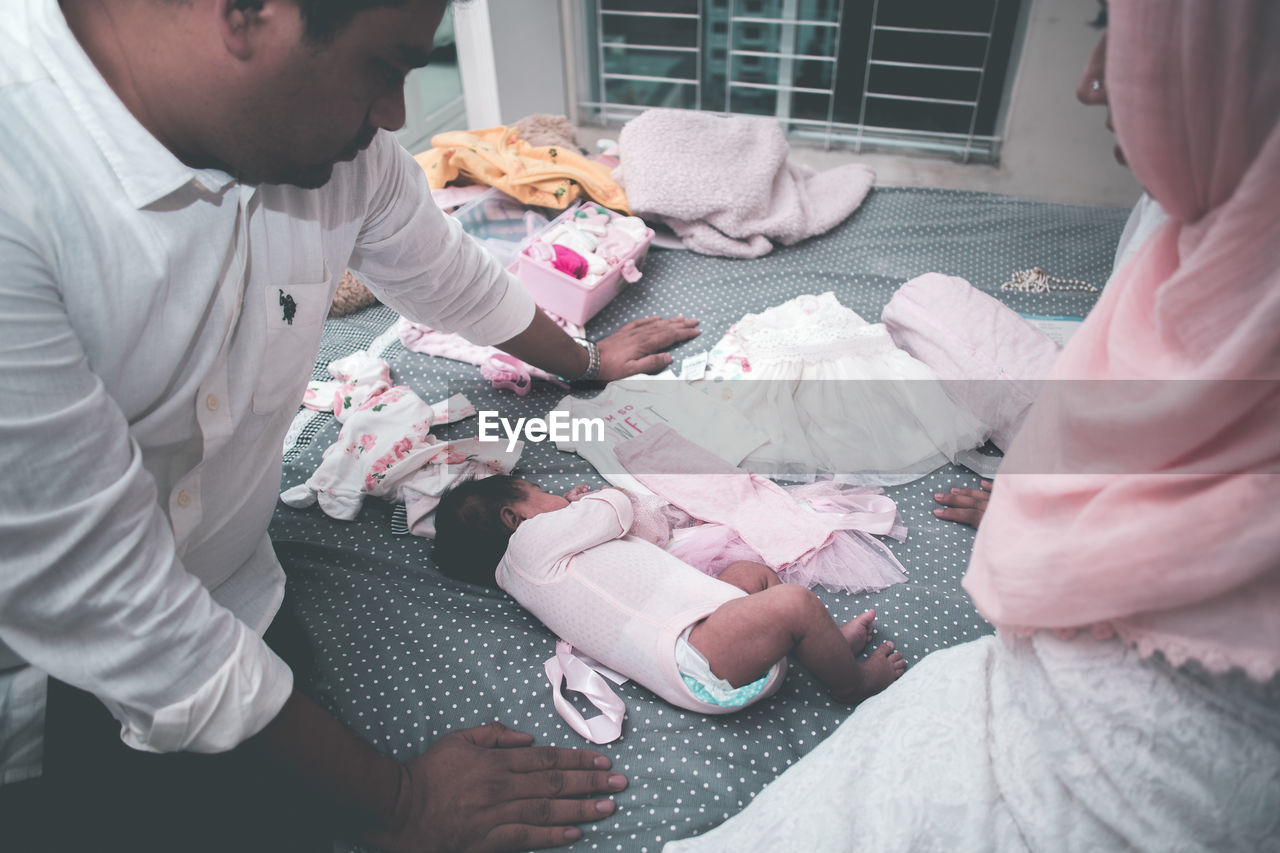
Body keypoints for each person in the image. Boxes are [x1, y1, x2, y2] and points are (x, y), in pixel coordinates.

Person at [0, 0, 701, 850]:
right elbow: (108, 607)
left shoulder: (333, 152)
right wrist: (403, 802)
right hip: (43, 683)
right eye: (386, 67)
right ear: (246, 15)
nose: (399, 115)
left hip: (227, 594)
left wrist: (586, 363)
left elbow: (449, 277)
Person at [664, 1, 1280, 850]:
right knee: (923, 303)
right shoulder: (1194, 218)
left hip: (1113, 754)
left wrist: (1070, 502)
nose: (1090, 79)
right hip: (1045, 664)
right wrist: (1069, 492)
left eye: (1114, 25)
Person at [433, 477, 907, 713]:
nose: (558, 498)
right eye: (541, 492)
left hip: (706, 628)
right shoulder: (530, 545)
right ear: (512, 520)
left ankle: (822, 649)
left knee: (750, 574)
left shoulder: (535, 567)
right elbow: (616, 504)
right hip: (695, 654)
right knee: (795, 604)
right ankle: (851, 683)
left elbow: (634, 534)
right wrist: (585, 502)